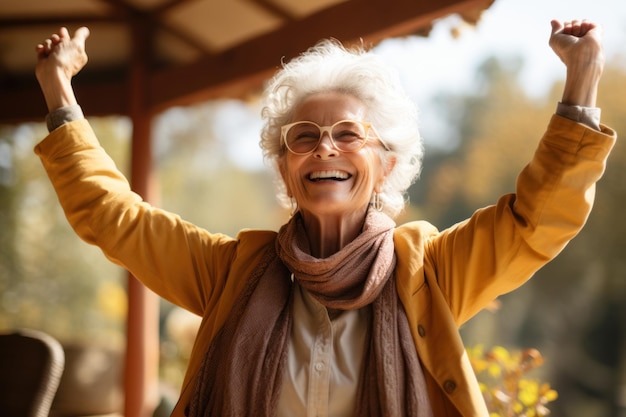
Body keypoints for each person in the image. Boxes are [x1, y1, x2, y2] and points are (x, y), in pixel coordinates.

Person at [34, 19, 615, 417]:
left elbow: (535, 220)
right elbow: (118, 218)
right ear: (285, 170)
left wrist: (582, 82)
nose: (324, 149)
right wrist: (60, 90)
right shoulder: (230, 271)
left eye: (347, 134)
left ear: (386, 164)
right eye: (303, 138)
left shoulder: (431, 271)